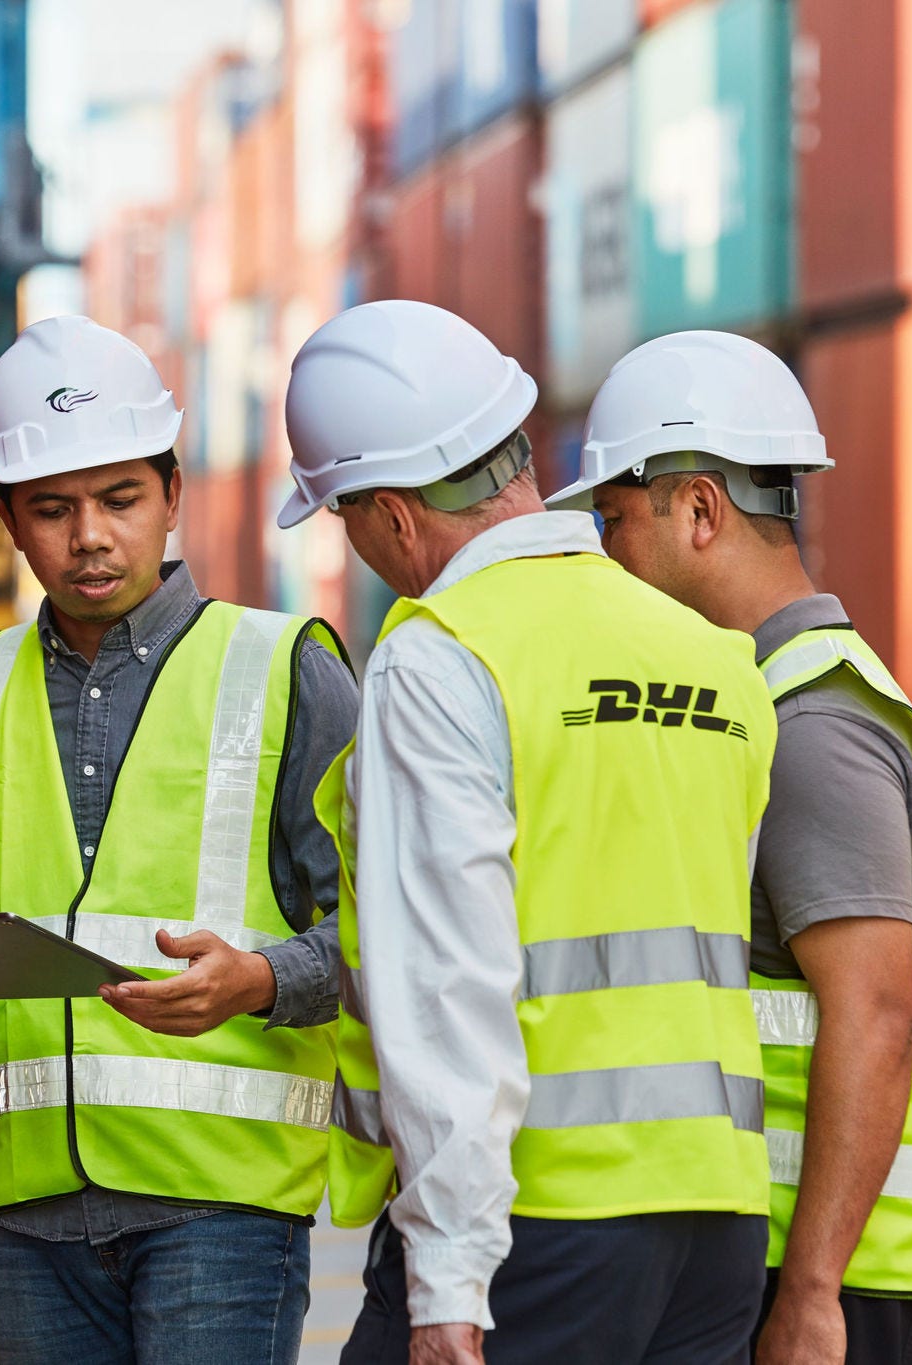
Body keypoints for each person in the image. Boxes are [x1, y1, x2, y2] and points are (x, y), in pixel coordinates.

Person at [0, 315, 358, 1365]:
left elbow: (392, 931)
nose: (89, 538)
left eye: (119, 500)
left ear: (171, 493)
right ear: (7, 519)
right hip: (25, 1214)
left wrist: (257, 979)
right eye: (51, 509)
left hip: (220, 1199)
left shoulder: (285, 667)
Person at [278, 299, 779, 1365]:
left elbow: (444, 982)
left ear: (389, 513)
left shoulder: (444, 657)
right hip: (719, 1219)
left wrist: (446, 1277)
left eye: (344, 519)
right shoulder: (707, 652)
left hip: (538, 1227)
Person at [546, 330, 912, 1365]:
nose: (604, 554)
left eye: (612, 521)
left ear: (698, 509)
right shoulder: (764, 701)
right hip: (816, 1250)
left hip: (849, 1270)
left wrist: (809, 1295)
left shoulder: (807, 728)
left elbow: (874, 1013)